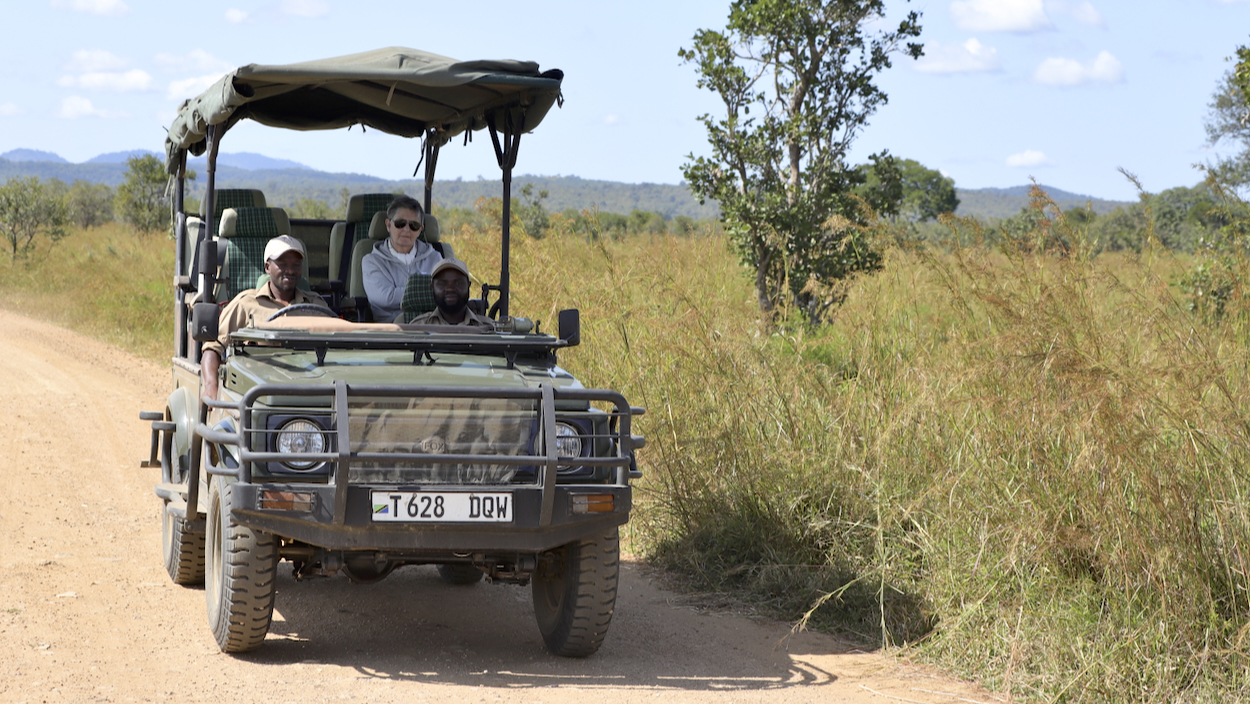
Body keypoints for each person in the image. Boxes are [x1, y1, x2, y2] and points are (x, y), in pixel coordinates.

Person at [200, 235, 330, 400]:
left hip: (311, 388)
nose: (290, 270)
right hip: (257, 393)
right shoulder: (245, 303)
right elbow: (212, 348)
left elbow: (338, 347)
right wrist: (211, 385)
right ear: (267, 267)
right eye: (282, 264)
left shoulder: (315, 306)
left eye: (296, 265)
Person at [362, 195, 443, 322]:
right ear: (388, 225)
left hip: (432, 326)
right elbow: (385, 298)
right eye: (400, 224)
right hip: (391, 331)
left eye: (413, 226)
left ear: (420, 230)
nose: (406, 230)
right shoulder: (372, 261)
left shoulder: (435, 257)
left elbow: (446, 293)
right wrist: (430, 291)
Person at [408, 258, 495, 329]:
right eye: (442, 283)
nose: (450, 289)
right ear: (432, 287)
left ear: (468, 285)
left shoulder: (488, 327)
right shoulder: (418, 327)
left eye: (458, 283)